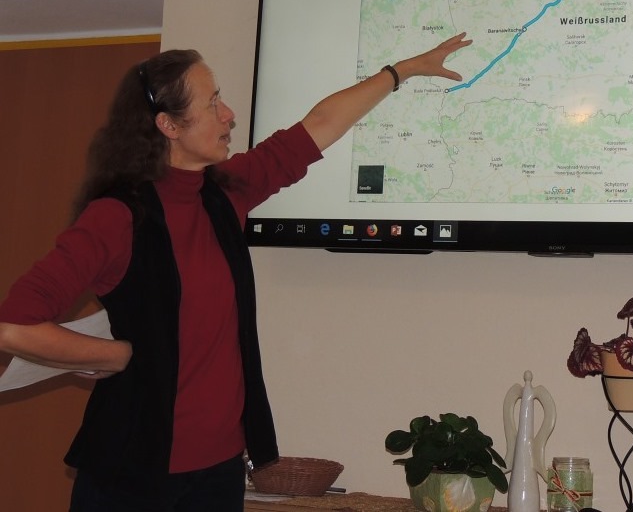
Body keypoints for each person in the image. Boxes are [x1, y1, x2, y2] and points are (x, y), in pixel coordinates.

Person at [0, 32, 471, 511]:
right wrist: (113, 354)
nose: (228, 115)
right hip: (133, 475)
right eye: (212, 104)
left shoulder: (225, 194)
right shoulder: (117, 217)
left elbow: (320, 124)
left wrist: (403, 71)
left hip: (218, 471)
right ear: (168, 125)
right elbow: (14, 326)